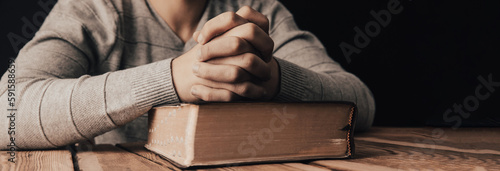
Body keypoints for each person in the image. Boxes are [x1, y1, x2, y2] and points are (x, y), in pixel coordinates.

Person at [0, 0, 375, 149]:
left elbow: (359, 101)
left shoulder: (260, 11)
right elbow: (8, 113)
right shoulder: (94, 8)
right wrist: (173, 79)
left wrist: (274, 79)